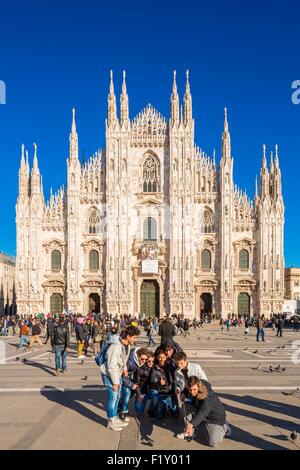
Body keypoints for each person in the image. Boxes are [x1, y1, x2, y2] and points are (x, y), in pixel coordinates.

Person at [100, 325, 140, 431]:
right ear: (128, 336)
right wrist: (115, 382)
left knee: (117, 397)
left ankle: (115, 418)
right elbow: (111, 365)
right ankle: (111, 421)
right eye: (134, 337)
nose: (136, 339)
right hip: (110, 375)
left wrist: (125, 368)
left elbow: (123, 359)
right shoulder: (116, 346)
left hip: (118, 373)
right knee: (113, 397)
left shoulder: (127, 345)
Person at [176, 376, 231, 447]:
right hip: (200, 411)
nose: (192, 392)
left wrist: (191, 424)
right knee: (185, 406)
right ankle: (191, 432)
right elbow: (186, 390)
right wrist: (183, 394)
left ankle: (225, 427)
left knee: (213, 443)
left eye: (194, 390)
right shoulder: (191, 387)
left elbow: (203, 412)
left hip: (214, 417)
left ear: (199, 386)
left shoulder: (208, 395)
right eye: (190, 390)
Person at [119, 348, 150, 420]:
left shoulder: (138, 362)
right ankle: (123, 412)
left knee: (130, 392)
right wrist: (131, 385)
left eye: (146, 359)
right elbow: (121, 376)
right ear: (138, 356)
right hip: (119, 377)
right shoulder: (130, 362)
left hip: (128, 378)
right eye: (142, 359)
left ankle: (120, 406)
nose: (144, 361)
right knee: (127, 392)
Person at [148, 348, 177, 419]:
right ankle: (154, 408)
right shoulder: (155, 368)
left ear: (166, 357)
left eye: (164, 357)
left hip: (170, 393)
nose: (162, 359)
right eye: (160, 357)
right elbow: (153, 384)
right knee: (159, 416)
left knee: (176, 414)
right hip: (160, 393)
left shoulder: (171, 366)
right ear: (157, 358)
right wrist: (160, 383)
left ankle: (166, 403)